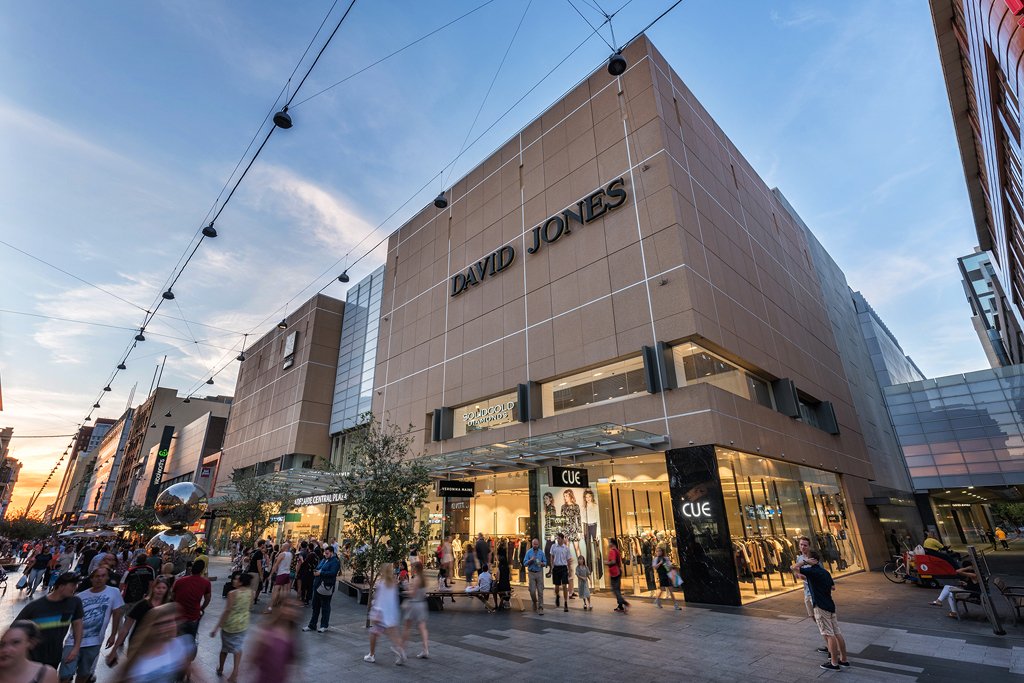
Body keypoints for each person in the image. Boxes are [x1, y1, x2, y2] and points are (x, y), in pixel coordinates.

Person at [60, 567, 123, 683]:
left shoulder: (114, 592)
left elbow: (117, 613)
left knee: (84, 673)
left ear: (107, 577)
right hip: (73, 641)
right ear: (91, 579)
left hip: (94, 642)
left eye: (103, 576)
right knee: (65, 674)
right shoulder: (80, 596)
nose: (100, 579)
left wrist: (113, 634)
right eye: (97, 576)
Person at [111, 603, 202, 683]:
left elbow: (196, 674)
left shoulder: (180, 645)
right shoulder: (138, 656)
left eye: (173, 621)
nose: (170, 626)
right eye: (163, 623)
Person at [14, 573, 83, 671]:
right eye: (72, 585)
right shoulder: (35, 606)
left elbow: (78, 625)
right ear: (61, 586)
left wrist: (76, 648)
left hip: (54, 657)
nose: (75, 588)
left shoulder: (75, 602)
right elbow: (14, 628)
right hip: (32, 658)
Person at [796, 551, 849, 671]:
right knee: (837, 632)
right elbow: (833, 587)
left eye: (808, 559)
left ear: (812, 560)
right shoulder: (825, 572)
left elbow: (793, 567)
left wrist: (804, 562)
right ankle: (844, 660)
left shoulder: (811, 571)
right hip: (830, 604)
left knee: (829, 635)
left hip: (820, 606)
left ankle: (834, 663)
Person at [105, 578, 169, 667]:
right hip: (138, 644)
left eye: (163, 588)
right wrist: (114, 650)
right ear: (153, 588)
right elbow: (126, 628)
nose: (161, 590)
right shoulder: (143, 605)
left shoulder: (168, 606)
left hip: (156, 645)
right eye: (158, 587)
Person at [210, 573, 252, 682]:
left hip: (231, 625)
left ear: (241, 582)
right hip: (243, 624)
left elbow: (227, 611)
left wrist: (217, 627)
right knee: (237, 647)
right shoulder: (251, 592)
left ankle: (221, 668)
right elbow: (249, 606)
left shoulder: (232, 593)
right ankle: (235, 672)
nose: (234, 581)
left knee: (224, 648)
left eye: (236, 580)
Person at [790, 536, 829, 656]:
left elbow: (822, 574)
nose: (803, 547)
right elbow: (795, 570)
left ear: (809, 546)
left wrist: (807, 576)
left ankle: (831, 647)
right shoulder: (799, 558)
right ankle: (828, 643)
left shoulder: (813, 559)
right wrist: (798, 575)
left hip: (815, 592)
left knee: (821, 619)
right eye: (801, 545)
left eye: (805, 545)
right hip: (806, 591)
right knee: (813, 617)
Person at [247, 598, 300, 683]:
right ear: (280, 608)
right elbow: (252, 660)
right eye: (288, 606)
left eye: (294, 608)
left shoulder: (291, 636)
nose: (291, 610)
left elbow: (291, 662)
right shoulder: (267, 631)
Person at [364, 563, 404, 665]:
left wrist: (375, 611)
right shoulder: (393, 584)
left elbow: (379, 599)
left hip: (381, 614)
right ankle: (400, 650)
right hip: (391, 615)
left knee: (373, 633)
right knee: (393, 634)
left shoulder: (381, 584)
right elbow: (393, 600)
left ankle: (371, 655)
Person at [170, 559, 211, 640]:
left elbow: (172, 596)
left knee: (177, 640)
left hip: (179, 616)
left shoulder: (179, 581)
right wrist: (202, 608)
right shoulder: (206, 583)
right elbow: (208, 599)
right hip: (193, 616)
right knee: (190, 640)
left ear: (191, 568)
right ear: (202, 570)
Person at [304, 545, 340, 633]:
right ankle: (312, 625)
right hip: (318, 585)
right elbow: (318, 567)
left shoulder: (335, 562)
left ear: (332, 553)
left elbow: (333, 573)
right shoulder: (324, 560)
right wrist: (316, 571)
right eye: (325, 553)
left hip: (326, 586)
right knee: (315, 606)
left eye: (327, 553)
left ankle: (324, 625)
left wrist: (320, 573)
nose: (325, 555)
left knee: (325, 607)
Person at [401, 561, 430, 660]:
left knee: (407, 627)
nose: (411, 569)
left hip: (414, 604)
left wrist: (405, 590)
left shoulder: (416, 579)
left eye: (412, 567)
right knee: (422, 628)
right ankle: (425, 650)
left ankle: (402, 650)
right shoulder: (424, 579)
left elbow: (412, 594)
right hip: (422, 604)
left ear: (416, 569)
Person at [550, 533, 572, 612]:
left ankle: (565, 603)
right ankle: (557, 595)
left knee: (564, 585)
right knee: (556, 586)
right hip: (556, 567)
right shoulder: (553, 546)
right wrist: (552, 566)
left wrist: (569, 570)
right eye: (557, 538)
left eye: (559, 538)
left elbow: (568, 560)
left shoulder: (566, 548)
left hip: (563, 567)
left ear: (562, 539)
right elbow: (551, 556)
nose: (558, 540)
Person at [523, 538, 546, 613]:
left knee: (540, 591)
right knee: (532, 591)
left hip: (539, 572)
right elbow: (524, 563)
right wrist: (531, 560)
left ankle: (540, 607)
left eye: (536, 544)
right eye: (534, 544)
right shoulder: (528, 552)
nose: (535, 545)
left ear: (538, 544)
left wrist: (542, 563)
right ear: (532, 544)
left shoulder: (541, 553)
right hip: (531, 573)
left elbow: (545, 562)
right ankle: (534, 601)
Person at [606, 538, 629, 613]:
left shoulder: (612, 551)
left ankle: (624, 602)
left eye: (609, 542)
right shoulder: (617, 550)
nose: (608, 544)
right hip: (618, 571)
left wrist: (607, 563)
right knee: (617, 589)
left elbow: (613, 561)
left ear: (612, 543)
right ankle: (620, 606)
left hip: (614, 572)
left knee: (615, 590)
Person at [268, 541, 293, 610]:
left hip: (281, 573)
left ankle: (270, 607)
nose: (281, 547)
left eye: (282, 546)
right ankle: (282, 605)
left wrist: (271, 574)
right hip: (287, 573)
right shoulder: (290, 554)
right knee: (284, 590)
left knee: (275, 590)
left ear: (285, 547)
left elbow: (276, 565)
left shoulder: (282, 554)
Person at [247, 541, 266, 605]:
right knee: (253, 589)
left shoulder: (253, 551)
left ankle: (246, 603)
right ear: (262, 545)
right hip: (255, 572)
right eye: (265, 544)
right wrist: (261, 575)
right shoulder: (259, 552)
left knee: (249, 588)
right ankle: (249, 604)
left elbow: (249, 561)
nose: (265, 546)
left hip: (250, 571)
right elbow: (259, 565)